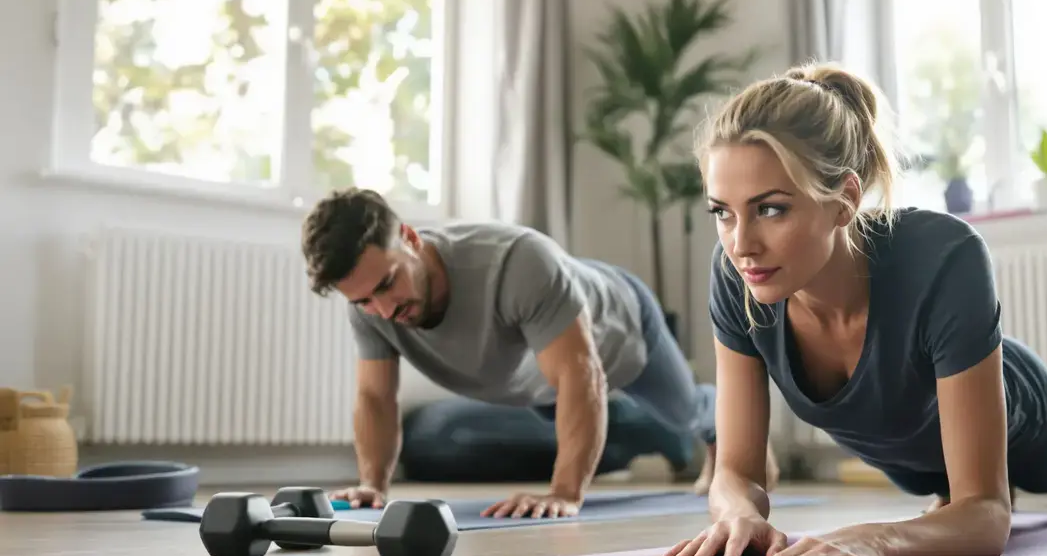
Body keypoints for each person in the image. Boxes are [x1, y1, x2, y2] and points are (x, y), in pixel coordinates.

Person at [653, 61, 1047, 556]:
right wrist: (738, 514)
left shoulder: (944, 254)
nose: (741, 244)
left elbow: (989, 517)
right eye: (722, 212)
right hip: (906, 454)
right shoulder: (736, 276)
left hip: (1017, 410)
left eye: (770, 210)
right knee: (935, 487)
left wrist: (876, 538)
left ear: (845, 200)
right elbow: (735, 473)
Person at [299, 189, 775, 518]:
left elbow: (580, 377)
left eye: (388, 283)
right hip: (541, 370)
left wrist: (564, 494)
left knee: (681, 410)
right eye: (364, 300)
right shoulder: (371, 309)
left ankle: (721, 427)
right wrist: (372, 485)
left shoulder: (514, 261)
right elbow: (376, 398)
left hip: (618, 323)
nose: (384, 310)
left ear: (409, 237)